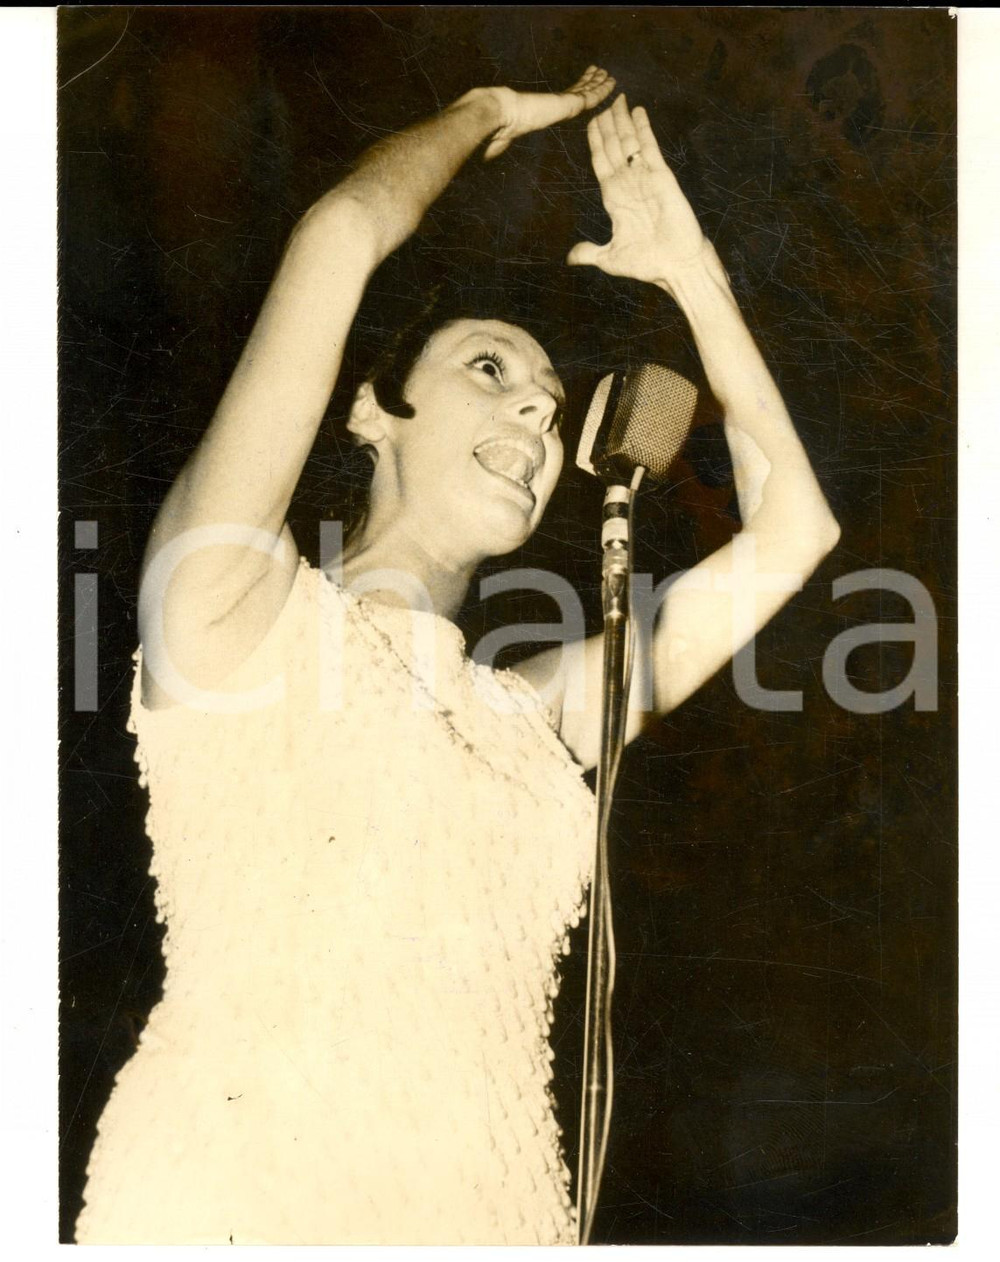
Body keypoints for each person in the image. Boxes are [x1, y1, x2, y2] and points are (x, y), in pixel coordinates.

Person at [74, 67, 840, 1245]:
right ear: (373, 412)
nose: (538, 414)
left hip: (498, 1210)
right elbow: (338, 233)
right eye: (490, 369)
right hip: (244, 1192)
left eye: (548, 403)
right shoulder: (232, 603)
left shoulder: (527, 715)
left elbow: (796, 533)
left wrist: (692, 270)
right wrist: (481, 114)